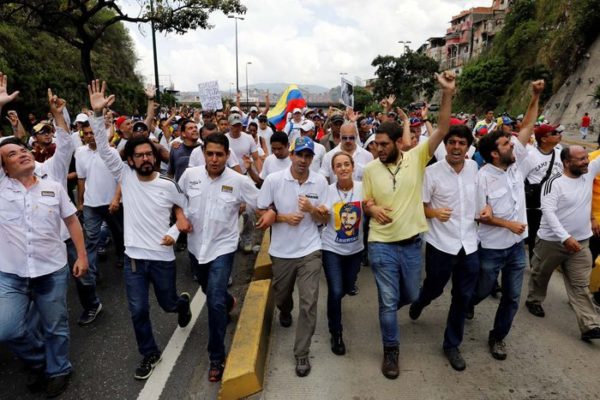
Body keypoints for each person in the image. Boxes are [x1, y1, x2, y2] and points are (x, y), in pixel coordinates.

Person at [87, 80, 192, 380]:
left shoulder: (167, 185)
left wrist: (175, 231)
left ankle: (182, 304)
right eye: (139, 155)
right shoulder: (126, 176)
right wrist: (97, 116)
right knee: (137, 311)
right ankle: (150, 353)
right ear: (130, 160)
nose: (145, 158)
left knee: (167, 302)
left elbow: (185, 212)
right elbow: (105, 150)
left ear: (155, 156)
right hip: (134, 259)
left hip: (162, 258)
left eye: (149, 154)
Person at [361, 71, 455, 380]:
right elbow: (365, 203)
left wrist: (446, 93)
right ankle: (391, 351)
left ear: (398, 143)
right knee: (388, 301)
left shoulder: (416, 158)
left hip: (413, 244)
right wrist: (372, 208)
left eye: (384, 144)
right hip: (381, 244)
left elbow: (442, 128)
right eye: (376, 144)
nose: (379, 149)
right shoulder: (370, 170)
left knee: (412, 295)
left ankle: (391, 306)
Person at [0, 75, 88, 397]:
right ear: (4, 167)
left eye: (22, 150)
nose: (22, 154)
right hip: (11, 275)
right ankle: (39, 361)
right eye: (11, 155)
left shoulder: (51, 176)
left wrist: (59, 116)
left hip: (51, 268)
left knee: (55, 325)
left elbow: (66, 143)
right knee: (8, 330)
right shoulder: (1, 187)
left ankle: (58, 369)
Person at [177, 133, 273, 382]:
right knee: (211, 291)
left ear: (227, 155)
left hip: (222, 248)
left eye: (220, 154)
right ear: (203, 154)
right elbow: (176, 200)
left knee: (214, 302)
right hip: (196, 248)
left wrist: (270, 214)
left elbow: (259, 202)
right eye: (210, 153)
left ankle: (216, 357)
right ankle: (228, 300)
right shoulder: (191, 176)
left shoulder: (238, 181)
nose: (215, 159)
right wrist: (180, 216)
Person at [470, 80, 544, 361]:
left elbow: (526, 126)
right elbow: (481, 217)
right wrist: (507, 224)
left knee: (512, 297)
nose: (513, 144)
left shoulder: (516, 165)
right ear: (493, 153)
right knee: (483, 288)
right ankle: (467, 303)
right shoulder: (482, 178)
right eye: (506, 143)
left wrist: (535, 96)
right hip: (491, 247)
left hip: (516, 247)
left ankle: (498, 337)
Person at [408, 125, 487, 371]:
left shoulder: (474, 168)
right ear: (445, 145)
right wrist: (434, 212)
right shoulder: (431, 172)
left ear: (467, 148)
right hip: (440, 244)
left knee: (463, 297)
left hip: (469, 245)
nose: (455, 147)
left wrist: (487, 209)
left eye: (461, 143)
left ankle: (451, 344)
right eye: (451, 142)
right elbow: (417, 207)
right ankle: (421, 300)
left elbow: (482, 199)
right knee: (435, 287)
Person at [257, 136, 328, 377]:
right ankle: (285, 310)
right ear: (292, 154)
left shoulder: (320, 182)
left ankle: (301, 354)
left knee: (309, 303)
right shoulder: (274, 180)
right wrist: (283, 217)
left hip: (310, 249)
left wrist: (312, 210)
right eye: (300, 155)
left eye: (308, 156)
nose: (303, 160)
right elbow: (261, 208)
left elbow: (325, 220)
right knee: (282, 296)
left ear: (312, 159)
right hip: (282, 252)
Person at [525, 145, 600, 341]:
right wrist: (565, 237)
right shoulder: (554, 183)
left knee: (580, 284)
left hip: (581, 242)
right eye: (581, 159)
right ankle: (534, 300)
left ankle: (589, 325)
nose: (586, 161)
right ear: (567, 163)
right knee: (541, 274)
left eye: (586, 157)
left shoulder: (589, 171)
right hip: (552, 242)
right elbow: (548, 213)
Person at [75, 122, 124, 325]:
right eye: (86, 134)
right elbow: (81, 179)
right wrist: (81, 201)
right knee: (92, 241)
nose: (89, 136)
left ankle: (123, 255)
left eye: (92, 133)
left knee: (119, 233)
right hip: (91, 205)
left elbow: (122, 177)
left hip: (113, 203)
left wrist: (116, 199)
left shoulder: (111, 152)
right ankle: (92, 276)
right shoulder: (80, 153)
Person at [321, 152, 364, 356]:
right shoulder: (326, 191)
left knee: (347, 286)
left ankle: (345, 289)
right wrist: (317, 211)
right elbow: (319, 216)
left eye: (347, 164)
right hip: (332, 248)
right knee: (336, 291)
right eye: (339, 165)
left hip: (356, 250)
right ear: (333, 170)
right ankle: (336, 332)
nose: (343, 168)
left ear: (353, 166)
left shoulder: (364, 189)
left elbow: (371, 208)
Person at [523, 123, 564, 258]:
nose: (558, 135)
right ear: (544, 139)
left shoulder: (560, 154)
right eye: (554, 133)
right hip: (536, 206)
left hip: (557, 203)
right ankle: (535, 266)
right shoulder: (530, 156)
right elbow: (519, 180)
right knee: (536, 235)